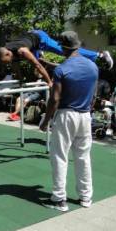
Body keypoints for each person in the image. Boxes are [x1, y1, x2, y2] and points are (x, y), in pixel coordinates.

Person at [39, 31, 98, 212]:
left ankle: (59, 199)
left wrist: (45, 121)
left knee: (59, 156)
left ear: (63, 48)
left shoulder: (61, 69)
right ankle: (85, 197)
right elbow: (94, 95)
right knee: (83, 157)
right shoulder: (92, 66)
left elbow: (55, 99)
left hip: (66, 115)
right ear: (77, 46)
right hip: (85, 115)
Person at [0, 30, 112, 87]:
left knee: (65, 50)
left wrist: (49, 82)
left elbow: (37, 66)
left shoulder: (22, 51)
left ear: (7, 54)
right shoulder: (8, 53)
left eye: (4, 61)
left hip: (39, 38)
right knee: (38, 68)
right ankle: (39, 54)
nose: (5, 64)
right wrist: (19, 80)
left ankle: (100, 56)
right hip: (31, 44)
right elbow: (15, 66)